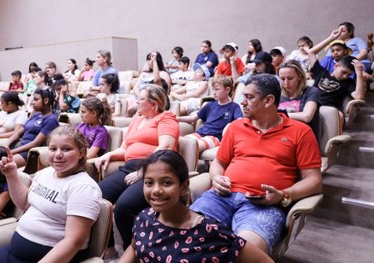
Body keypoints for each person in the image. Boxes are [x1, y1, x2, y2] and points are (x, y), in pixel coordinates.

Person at [189, 74, 323, 254]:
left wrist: (283, 195)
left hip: (264, 206)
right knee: (185, 237)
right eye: (243, 96)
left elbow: (314, 181)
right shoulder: (236, 127)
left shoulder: (300, 132)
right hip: (221, 197)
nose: (241, 102)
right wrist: (217, 177)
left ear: (268, 100)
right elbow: (219, 162)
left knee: (244, 253)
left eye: (249, 97)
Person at [119, 150, 273, 263]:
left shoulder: (211, 232)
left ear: (184, 186)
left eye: (167, 182)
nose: (156, 190)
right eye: (149, 183)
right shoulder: (144, 219)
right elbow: (134, 248)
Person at [0, 126, 102, 263]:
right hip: (14, 253)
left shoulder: (84, 187)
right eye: (53, 149)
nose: (58, 154)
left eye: (66, 149)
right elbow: (24, 203)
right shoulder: (46, 173)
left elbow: (73, 242)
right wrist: (11, 175)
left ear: (82, 152)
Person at [95, 84, 179, 249]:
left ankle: (133, 250)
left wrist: (143, 171)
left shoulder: (166, 118)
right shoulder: (138, 119)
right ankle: (108, 245)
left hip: (155, 171)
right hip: (130, 167)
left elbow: (166, 147)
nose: (136, 102)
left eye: (141, 99)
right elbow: (125, 148)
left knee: (124, 207)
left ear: (153, 104)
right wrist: (109, 155)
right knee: (96, 195)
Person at [178, 75, 243, 153]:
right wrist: (177, 118)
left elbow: (240, 121)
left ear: (227, 90)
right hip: (200, 133)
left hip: (215, 137)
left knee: (192, 147)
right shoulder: (209, 105)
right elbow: (193, 118)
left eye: (217, 89)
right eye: (213, 89)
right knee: (180, 143)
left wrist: (230, 125)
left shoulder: (234, 107)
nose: (214, 93)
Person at [304, 30, 365, 112]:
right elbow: (311, 52)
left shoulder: (347, 82)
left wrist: (359, 73)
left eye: (348, 74)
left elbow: (359, 97)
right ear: (336, 66)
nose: (345, 76)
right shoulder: (321, 73)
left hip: (329, 111)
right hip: (310, 107)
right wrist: (331, 38)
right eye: (343, 72)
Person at [6, 88, 59, 167]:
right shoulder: (35, 116)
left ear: (46, 101)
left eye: (36, 100)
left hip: (30, 153)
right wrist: (6, 145)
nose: (33, 103)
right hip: (19, 147)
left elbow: (35, 143)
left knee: (2, 163)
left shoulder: (51, 119)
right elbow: (18, 133)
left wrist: (12, 152)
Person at [277, 60, 321, 140]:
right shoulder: (276, 93)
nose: (286, 83)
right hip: (281, 137)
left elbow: (306, 116)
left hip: (303, 138)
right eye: (282, 79)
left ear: (300, 76)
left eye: (290, 78)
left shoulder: (311, 91)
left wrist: (277, 116)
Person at [127, 51, 171, 116]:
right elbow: (135, 87)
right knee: (129, 107)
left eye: (150, 59)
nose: (148, 61)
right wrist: (140, 96)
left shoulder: (163, 74)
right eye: (147, 60)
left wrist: (154, 61)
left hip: (154, 98)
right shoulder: (144, 73)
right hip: (140, 96)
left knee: (132, 108)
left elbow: (157, 82)